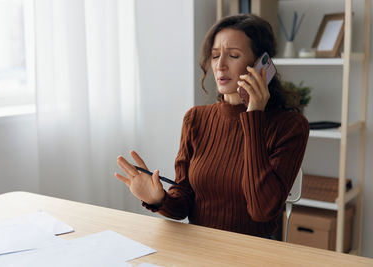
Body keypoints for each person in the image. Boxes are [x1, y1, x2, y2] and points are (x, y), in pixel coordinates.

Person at [114, 14, 309, 238]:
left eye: (233, 55)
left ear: (261, 65)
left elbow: (262, 211)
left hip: (251, 254)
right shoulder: (195, 119)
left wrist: (254, 115)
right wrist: (159, 199)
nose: (220, 65)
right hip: (199, 249)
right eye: (215, 56)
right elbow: (184, 204)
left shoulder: (291, 126)